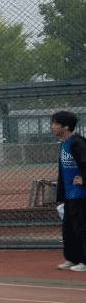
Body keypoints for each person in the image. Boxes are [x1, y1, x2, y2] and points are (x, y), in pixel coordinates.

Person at [52, 110, 86, 272]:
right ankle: (72, 258)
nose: (52, 127)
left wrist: (84, 180)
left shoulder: (78, 143)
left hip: (81, 194)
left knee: (81, 228)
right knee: (69, 229)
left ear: (65, 127)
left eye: (55, 124)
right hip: (69, 195)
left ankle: (84, 261)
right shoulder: (64, 144)